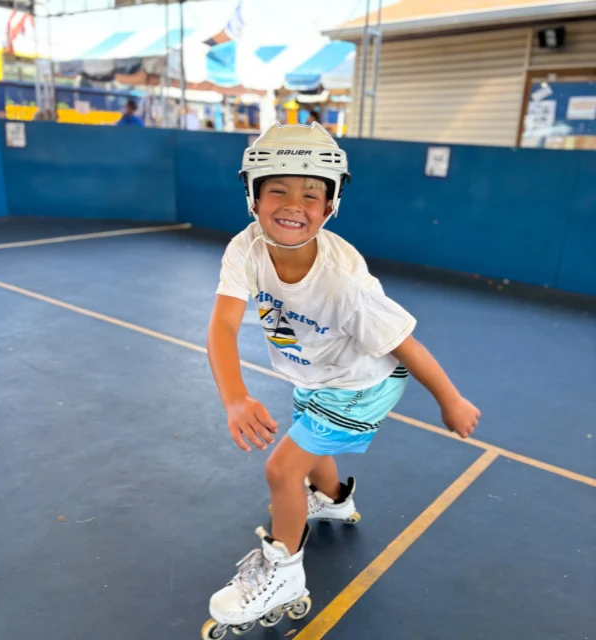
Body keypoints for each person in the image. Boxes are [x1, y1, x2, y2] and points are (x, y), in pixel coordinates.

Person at [201, 123, 481, 639]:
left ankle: (283, 574)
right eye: (277, 189)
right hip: (319, 374)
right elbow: (221, 323)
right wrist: (234, 397)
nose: (292, 203)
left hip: (361, 384)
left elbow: (405, 344)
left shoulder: (346, 282)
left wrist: (451, 399)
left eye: (311, 193)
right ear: (253, 196)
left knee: (283, 471)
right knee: (310, 440)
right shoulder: (246, 249)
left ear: (330, 206)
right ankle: (334, 501)